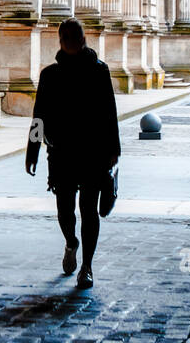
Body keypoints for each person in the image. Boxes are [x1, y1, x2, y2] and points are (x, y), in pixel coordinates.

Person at [26, 19, 120, 289]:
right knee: (64, 210)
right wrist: (32, 151)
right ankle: (71, 242)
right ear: (59, 41)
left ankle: (87, 266)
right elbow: (38, 117)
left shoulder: (99, 71)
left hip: (93, 152)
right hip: (61, 152)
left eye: (72, 35)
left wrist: (114, 150)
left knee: (88, 210)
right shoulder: (49, 75)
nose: (68, 40)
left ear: (82, 40)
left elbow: (108, 113)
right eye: (63, 36)